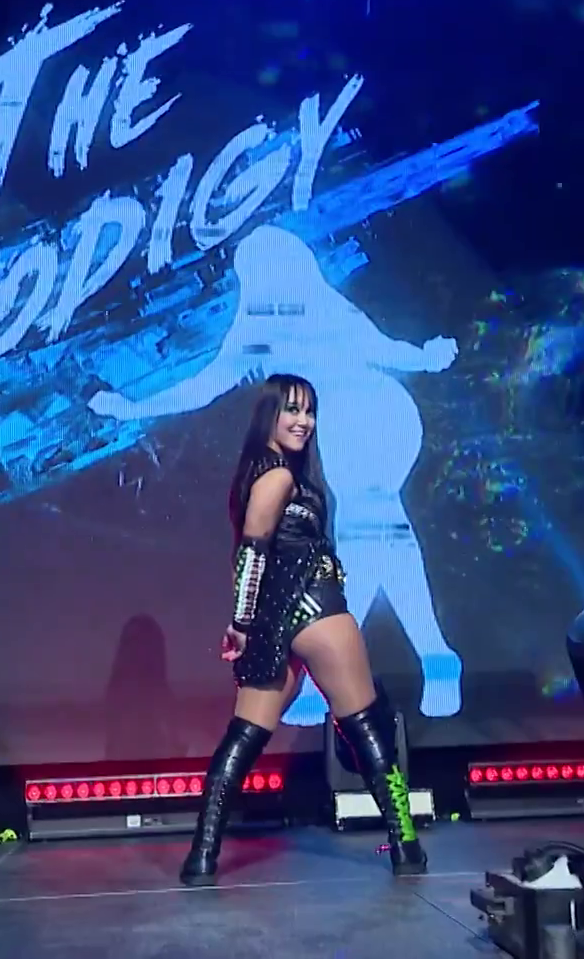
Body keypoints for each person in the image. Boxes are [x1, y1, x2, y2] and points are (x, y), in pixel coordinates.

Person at [88, 224, 464, 727]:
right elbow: (203, 386)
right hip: (345, 433)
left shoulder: (326, 310)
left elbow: (386, 350)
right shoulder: (256, 330)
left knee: (367, 535)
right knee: (375, 538)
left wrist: (428, 358)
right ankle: (427, 658)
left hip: (378, 417)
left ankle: (354, 673)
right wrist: (131, 408)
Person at [171, 373, 425, 885]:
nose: (303, 421)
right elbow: (252, 551)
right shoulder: (278, 477)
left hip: (275, 620)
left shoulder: (265, 473)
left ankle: (201, 856)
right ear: (269, 415)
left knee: (244, 738)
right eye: (292, 409)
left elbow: (252, 551)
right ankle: (406, 844)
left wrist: (249, 621)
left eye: (309, 411)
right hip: (314, 610)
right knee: (366, 727)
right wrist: (240, 623)